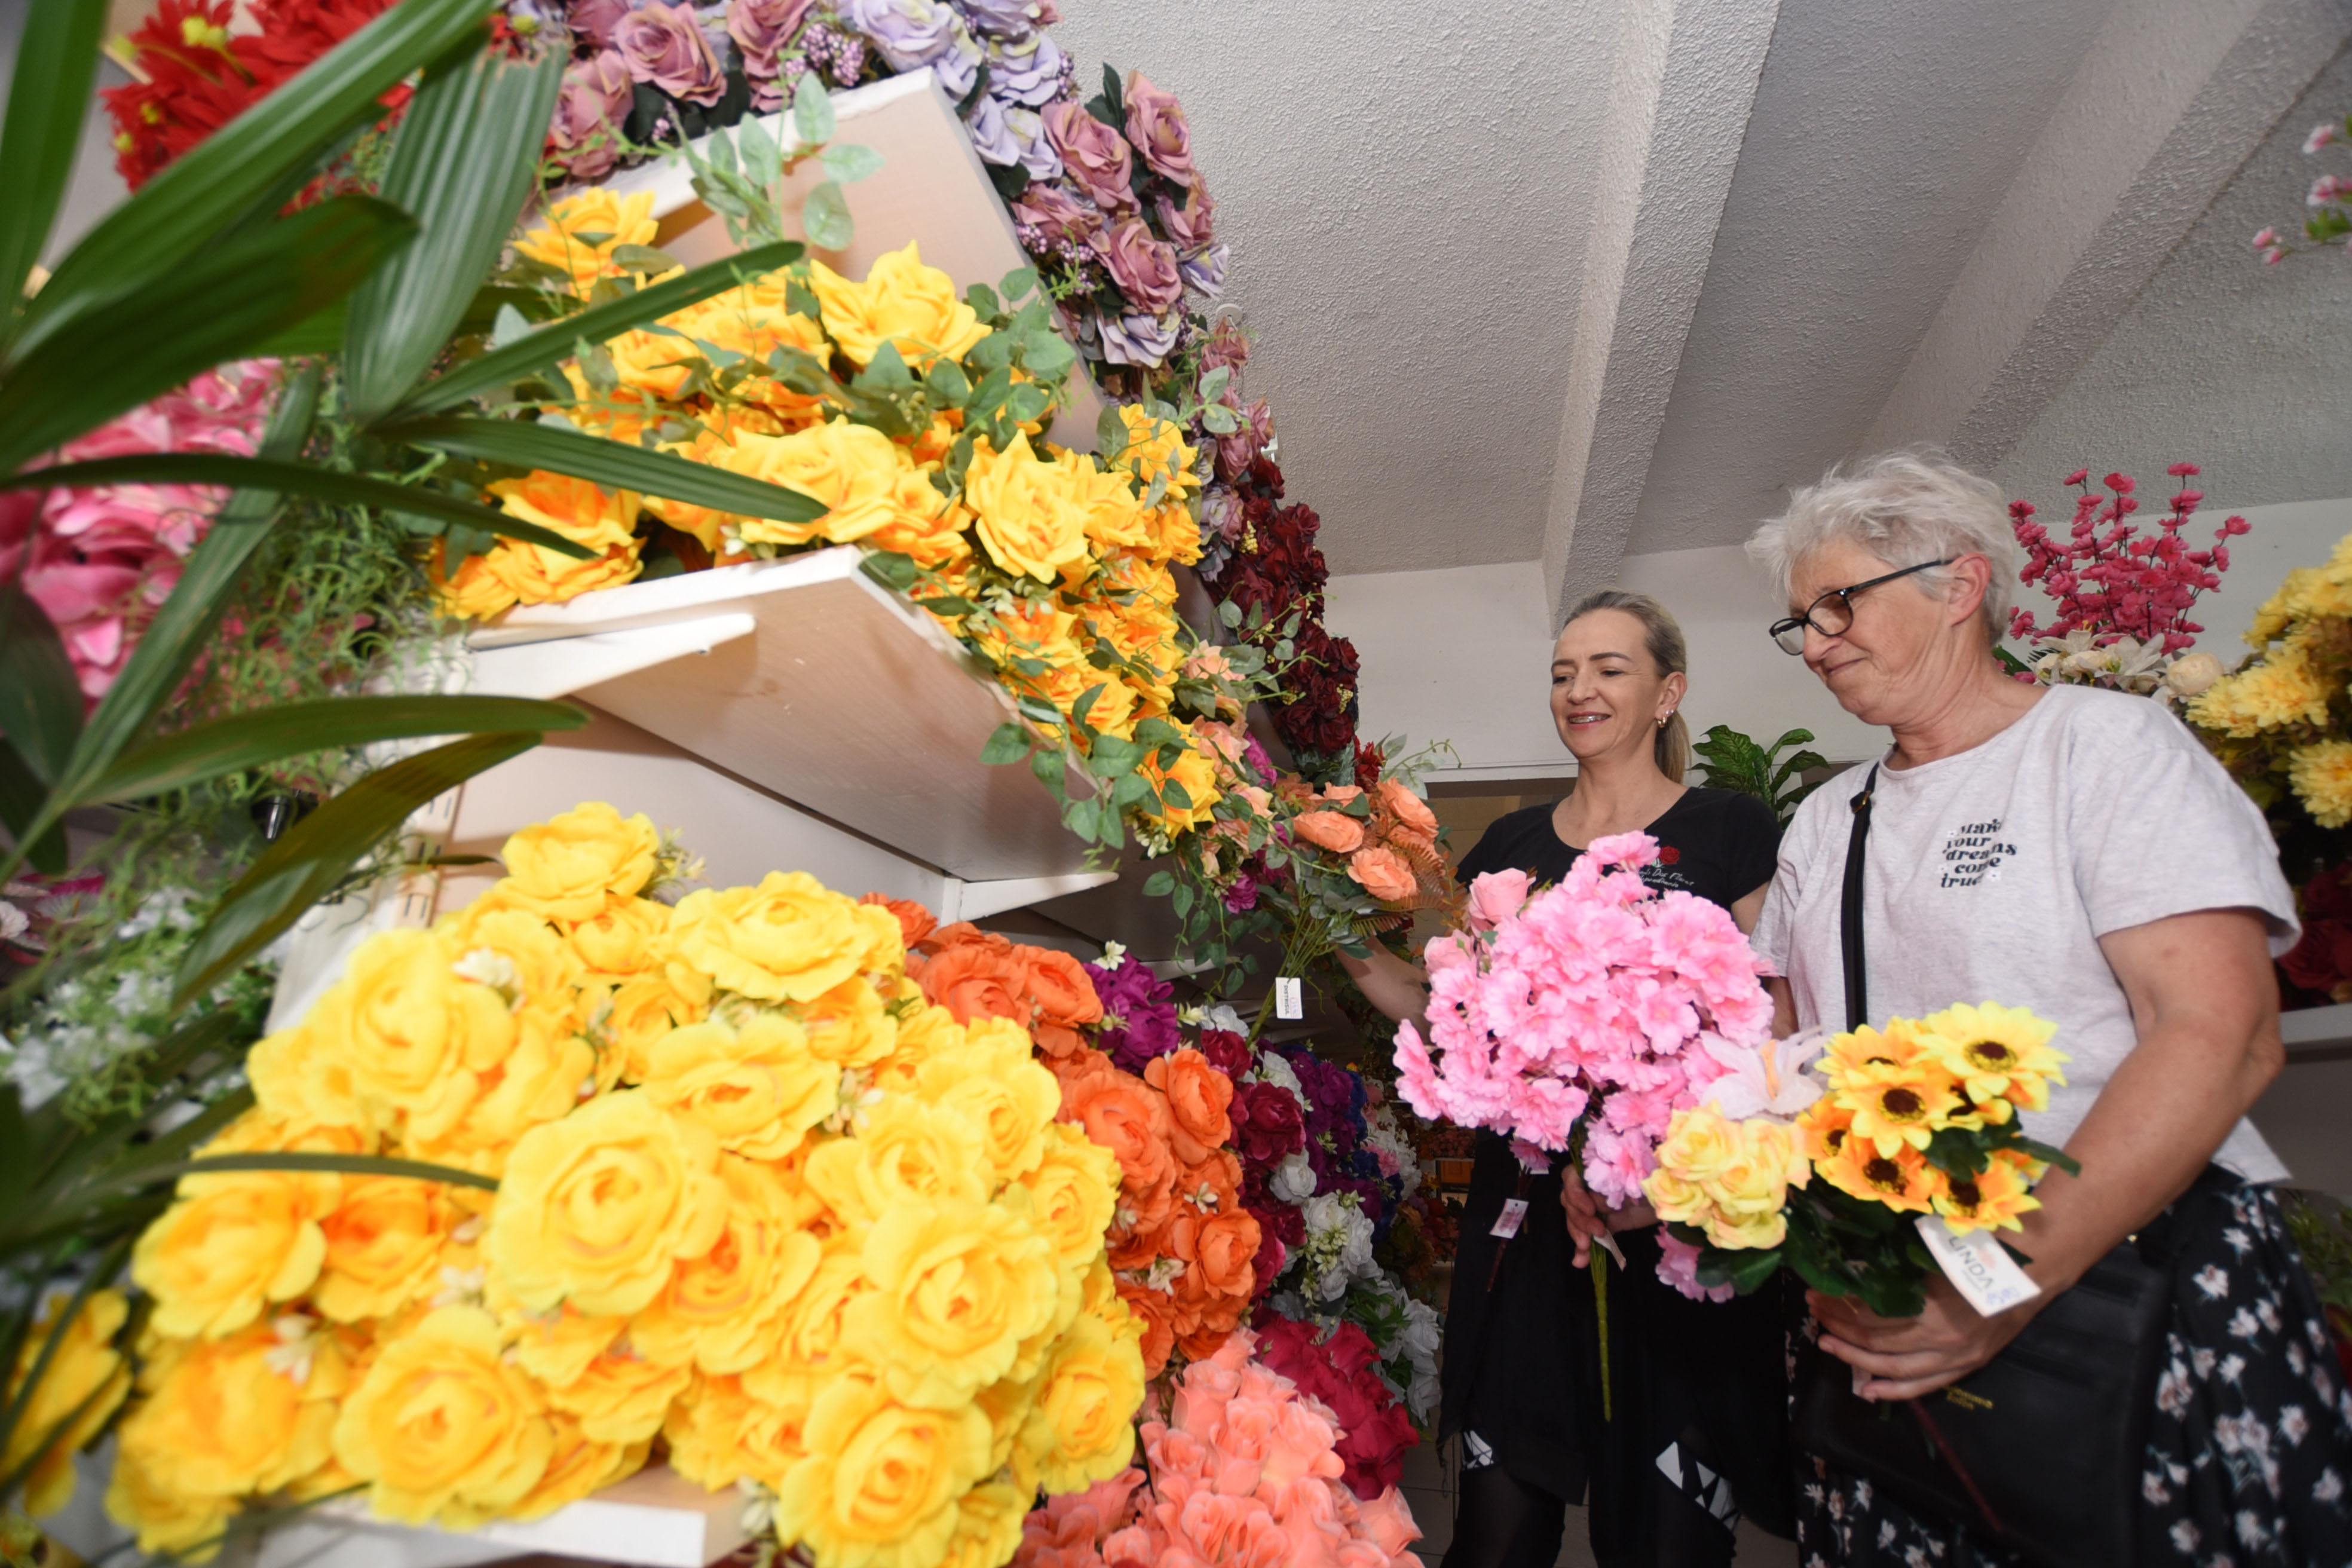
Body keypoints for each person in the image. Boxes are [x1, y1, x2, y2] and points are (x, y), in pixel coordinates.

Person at [1738, 449, 2352, 1564]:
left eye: (1838, 605)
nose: (1817, 643)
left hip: (2122, 1287)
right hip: (1894, 1306)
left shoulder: (2107, 751)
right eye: (1802, 623)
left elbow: (2221, 1034)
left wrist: (1996, 1279)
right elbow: (1779, 1062)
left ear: (1960, 585)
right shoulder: (1826, 821)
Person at [1345, 590, 1793, 1568]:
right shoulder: (1511, 849)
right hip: (1527, 1230)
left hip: (1671, 1224)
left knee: (1667, 1540)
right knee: (1496, 1536)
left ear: (1668, 693)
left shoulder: (1730, 828)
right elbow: (1440, 1005)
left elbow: (1774, 1024)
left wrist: (1683, 1165)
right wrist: (1331, 921)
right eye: (1562, 673)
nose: (1578, 689)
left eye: (1609, 669)